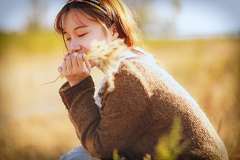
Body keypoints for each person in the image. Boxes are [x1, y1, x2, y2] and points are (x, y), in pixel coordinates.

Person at [55, 0, 228, 159]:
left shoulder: (128, 77)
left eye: (82, 34)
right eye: (68, 37)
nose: (72, 47)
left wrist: (78, 86)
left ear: (113, 31)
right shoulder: (128, 63)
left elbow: (101, 148)